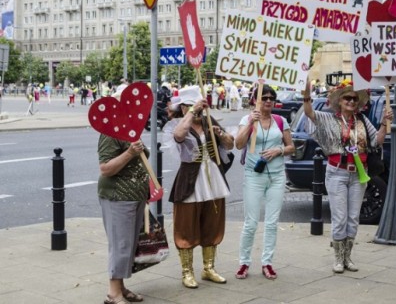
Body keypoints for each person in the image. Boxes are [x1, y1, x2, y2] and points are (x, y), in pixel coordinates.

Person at [302, 79, 391, 273]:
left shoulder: (363, 121)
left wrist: (384, 123)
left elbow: (376, 141)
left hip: (359, 173)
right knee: (340, 217)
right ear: (339, 102)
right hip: (337, 172)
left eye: (354, 99)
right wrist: (306, 94)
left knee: (353, 218)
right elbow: (309, 113)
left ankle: (347, 257)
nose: (351, 101)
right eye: (347, 98)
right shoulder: (328, 119)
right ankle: (337, 258)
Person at [165, 86, 234, 289]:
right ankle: (187, 272)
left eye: (200, 106)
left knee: (212, 223)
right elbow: (178, 136)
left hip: (213, 179)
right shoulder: (176, 123)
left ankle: (208, 268)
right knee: (186, 226)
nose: (198, 110)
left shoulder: (209, 120)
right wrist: (193, 112)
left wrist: (220, 134)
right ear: (184, 107)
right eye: (192, 106)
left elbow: (230, 145)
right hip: (189, 181)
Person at [234, 85, 294, 280]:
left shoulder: (280, 120)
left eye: (271, 98)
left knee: (271, 223)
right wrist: (251, 121)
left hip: (276, 176)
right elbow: (238, 144)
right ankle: (244, 262)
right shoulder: (247, 119)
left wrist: (279, 151)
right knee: (250, 223)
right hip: (254, 175)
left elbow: (291, 147)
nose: (268, 101)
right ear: (256, 100)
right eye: (264, 97)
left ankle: (267, 262)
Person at [97, 84, 149, 304]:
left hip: (134, 196)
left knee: (128, 244)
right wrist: (129, 152)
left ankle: (121, 286)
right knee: (120, 244)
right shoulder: (109, 133)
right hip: (117, 196)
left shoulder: (132, 130)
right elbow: (106, 168)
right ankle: (113, 293)